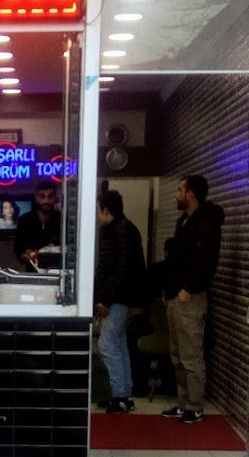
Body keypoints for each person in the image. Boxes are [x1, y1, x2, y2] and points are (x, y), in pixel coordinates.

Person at [159, 174, 224, 424]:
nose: (176, 195)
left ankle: (195, 406)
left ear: (191, 194)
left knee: (191, 354)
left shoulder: (206, 222)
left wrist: (189, 288)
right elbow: (176, 260)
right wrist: (168, 289)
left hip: (190, 296)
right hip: (176, 294)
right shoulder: (184, 221)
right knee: (177, 354)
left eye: (179, 190)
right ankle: (183, 402)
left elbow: (207, 261)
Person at [94, 190, 148, 414]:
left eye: (98, 211)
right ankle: (125, 393)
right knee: (119, 344)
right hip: (124, 296)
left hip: (118, 297)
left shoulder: (119, 232)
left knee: (106, 345)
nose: (97, 216)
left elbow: (118, 270)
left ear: (106, 210)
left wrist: (104, 299)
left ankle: (119, 396)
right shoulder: (123, 228)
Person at [13, 180, 63, 269]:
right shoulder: (24, 220)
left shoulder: (62, 220)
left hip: (57, 273)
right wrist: (29, 257)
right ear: (36, 197)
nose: (46, 201)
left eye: (50, 196)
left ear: (55, 198)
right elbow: (18, 250)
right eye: (42, 196)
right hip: (33, 273)